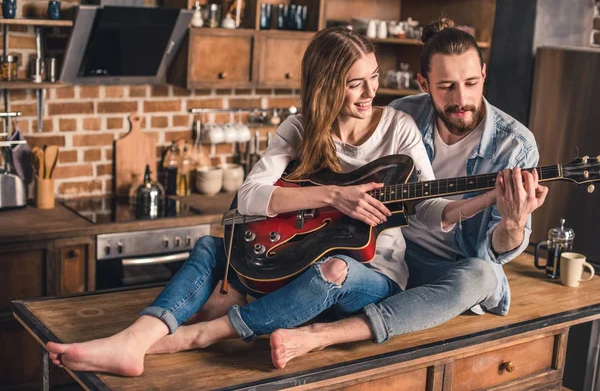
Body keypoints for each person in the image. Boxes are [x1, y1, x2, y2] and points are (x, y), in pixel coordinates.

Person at [46, 27, 495, 377]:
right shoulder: (299, 128)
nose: (368, 93)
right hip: (294, 264)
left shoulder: (398, 128)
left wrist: (487, 198)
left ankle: (195, 336)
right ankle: (136, 339)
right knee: (212, 248)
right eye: (354, 83)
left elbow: (432, 210)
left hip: (370, 275)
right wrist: (337, 195)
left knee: (334, 269)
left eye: (373, 78)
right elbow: (250, 196)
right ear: (326, 86)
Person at [268, 19, 549, 370]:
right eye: (446, 87)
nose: (462, 99)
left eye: (471, 83)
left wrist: (515, 220)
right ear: (423, 83)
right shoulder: (401, 116)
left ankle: (324, 335)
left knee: (485, 276)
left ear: (483, 73)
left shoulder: (515, 145)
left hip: (448, 271)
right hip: (386, 252)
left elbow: (499, 251)